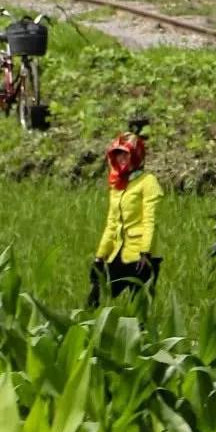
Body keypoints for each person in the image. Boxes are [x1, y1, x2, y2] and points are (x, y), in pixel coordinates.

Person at [90, 128, 162, 306]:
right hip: (118, 252)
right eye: (118, 156)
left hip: (141, 256)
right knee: (96, 299)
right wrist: (100, 256)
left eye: (125, 155)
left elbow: (149, 220)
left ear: (136, 156)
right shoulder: (118, 185)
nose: (121, 159)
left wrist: (146, 252)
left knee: (139, 307)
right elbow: (111, 224)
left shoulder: (148, 181)